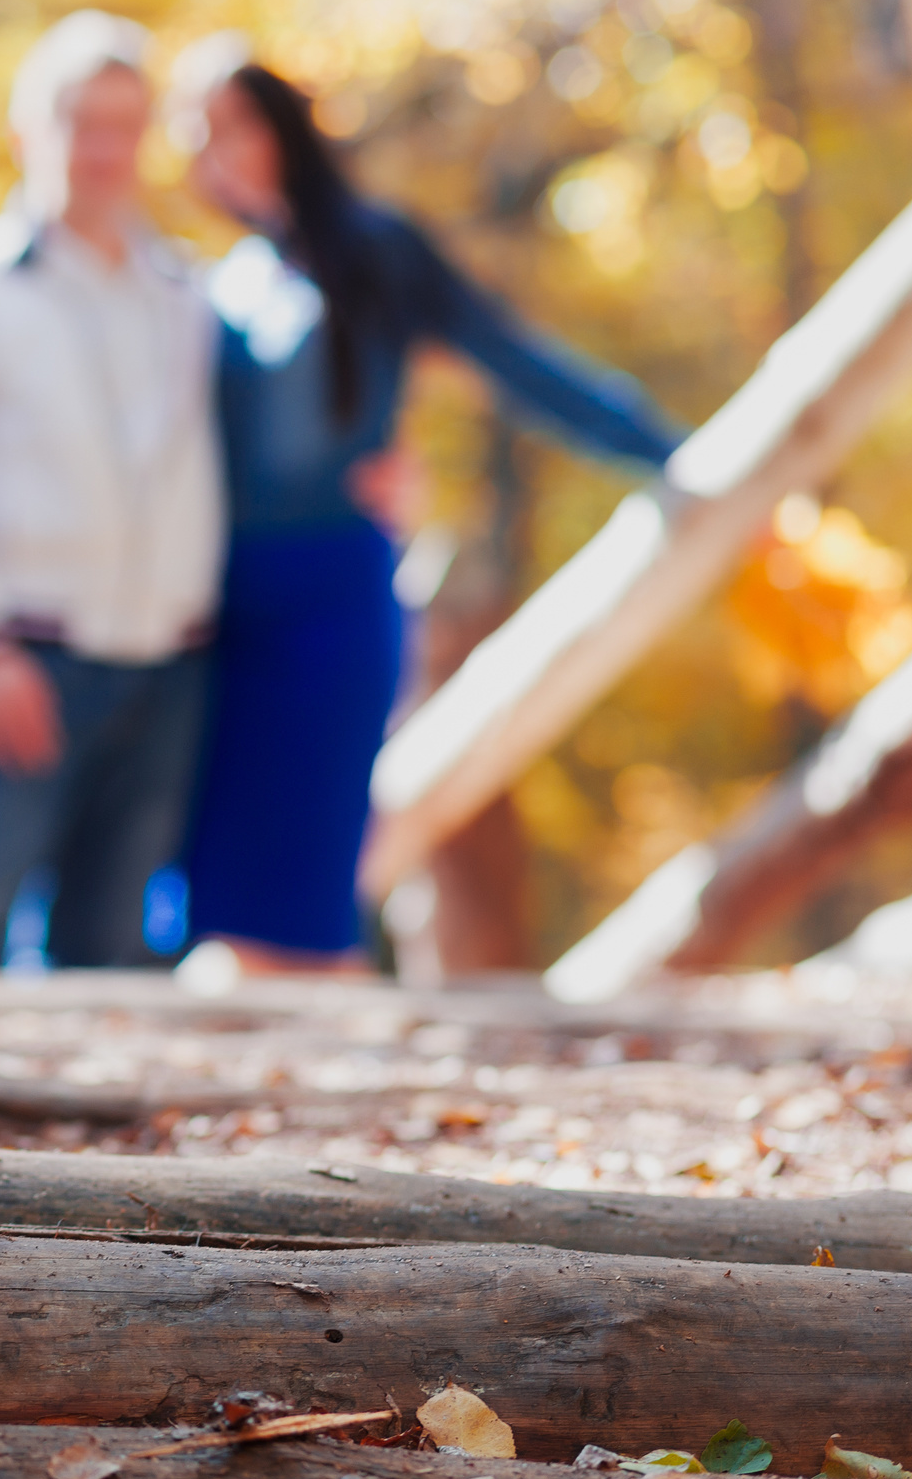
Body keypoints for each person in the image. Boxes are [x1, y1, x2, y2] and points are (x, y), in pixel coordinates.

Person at [180, 57, 685, 968]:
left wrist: (664, 448)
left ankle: (318, 1080)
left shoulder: (376, 249)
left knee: (312, 874)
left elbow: (515, 359)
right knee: (221, 880)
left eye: (233, 124)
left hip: (333, 592)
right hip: (223, 607)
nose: (214, 152)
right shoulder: (221, 282)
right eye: (196, 135)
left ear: (286, 126)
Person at [0, 11, 225, 969]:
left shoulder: (191, 297)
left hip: (171, 667)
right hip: (25, 660)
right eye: (80, 121)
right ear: (28, 133)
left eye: (124, 124)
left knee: (112, 948)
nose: (103, 148)